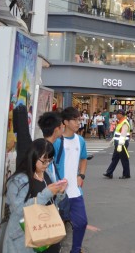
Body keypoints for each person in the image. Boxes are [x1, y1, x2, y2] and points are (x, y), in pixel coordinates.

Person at [3, 138, 67, 252]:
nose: (47, 164)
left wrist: (60, 192)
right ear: (33, 156)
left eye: (50, 160)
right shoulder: (19, 180)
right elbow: (18, 210)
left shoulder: (47, 174)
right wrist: (46, 194)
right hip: (24, 238)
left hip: (47, 233)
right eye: (44, 161)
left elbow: (52, 204)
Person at [54, 107, 88, 253]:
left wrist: (81, 175)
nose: (78, 123)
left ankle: (76, 249)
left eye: (79, 119)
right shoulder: (56, 141)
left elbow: (84, 158)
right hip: (58, 192)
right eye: (75, 120)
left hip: (75, 191)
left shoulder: (80, 140)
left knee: (81, 222)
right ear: (66, 122)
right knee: (56, 226)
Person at [103, 109, 131, 179]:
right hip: (118, 143)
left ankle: (126, 174)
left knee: (124, 159)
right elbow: (118, 133)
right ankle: (109, 173)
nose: (116, 115)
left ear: (121, 114)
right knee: (115, 158)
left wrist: (120, 145)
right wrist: (113, 140)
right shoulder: (120, 122)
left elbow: (123, 135)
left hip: (122, 144)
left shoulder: (124, 122)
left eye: (117, 114)